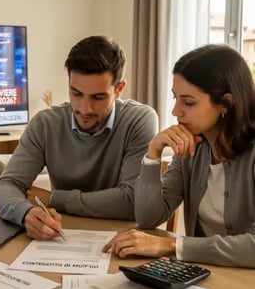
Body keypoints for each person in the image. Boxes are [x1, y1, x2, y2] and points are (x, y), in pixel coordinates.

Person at [103, 44, 255, 268]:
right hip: (209, 274)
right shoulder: (192, 147)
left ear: (226, 103)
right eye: (175, 98)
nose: (175, 111)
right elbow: (148, 218)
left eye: (189, 102)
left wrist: (172, 246)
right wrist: (153, 153)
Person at [0, 35, 158, 240]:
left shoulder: (139, 120)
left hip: (122, 239)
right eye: (76, 93)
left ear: (119, 89)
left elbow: (132, 200)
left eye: (98, 97)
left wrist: (55, 199)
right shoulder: (45, 123)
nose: (84, 108)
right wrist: (26, 213)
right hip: (62, 237)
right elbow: (6, 185)